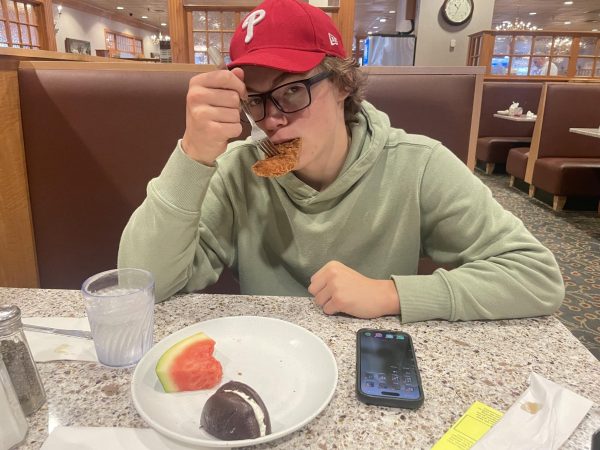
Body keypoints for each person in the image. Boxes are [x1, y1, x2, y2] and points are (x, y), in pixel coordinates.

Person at [118, 0, 564, 322]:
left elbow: (537, 276)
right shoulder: (237, 171)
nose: (271, 120)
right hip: (267, 365)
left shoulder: (417, 164)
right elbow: (141, 286)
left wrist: (391, 294)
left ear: (343, 83)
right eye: (255, 100)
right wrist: (192, 156)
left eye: (292, 90)